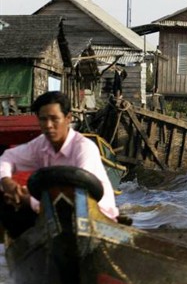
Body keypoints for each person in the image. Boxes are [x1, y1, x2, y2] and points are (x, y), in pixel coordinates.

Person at [0, 91, 119, 238]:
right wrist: (6, 182)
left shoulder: (83, 148)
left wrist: (29, 200)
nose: (48, 125)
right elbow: (6, 158)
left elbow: (78, 195)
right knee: (7, 205)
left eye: (54, 119)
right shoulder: (41, 144)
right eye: (43, 119)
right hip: (56, 213)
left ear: (68, 118)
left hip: (94, 215)